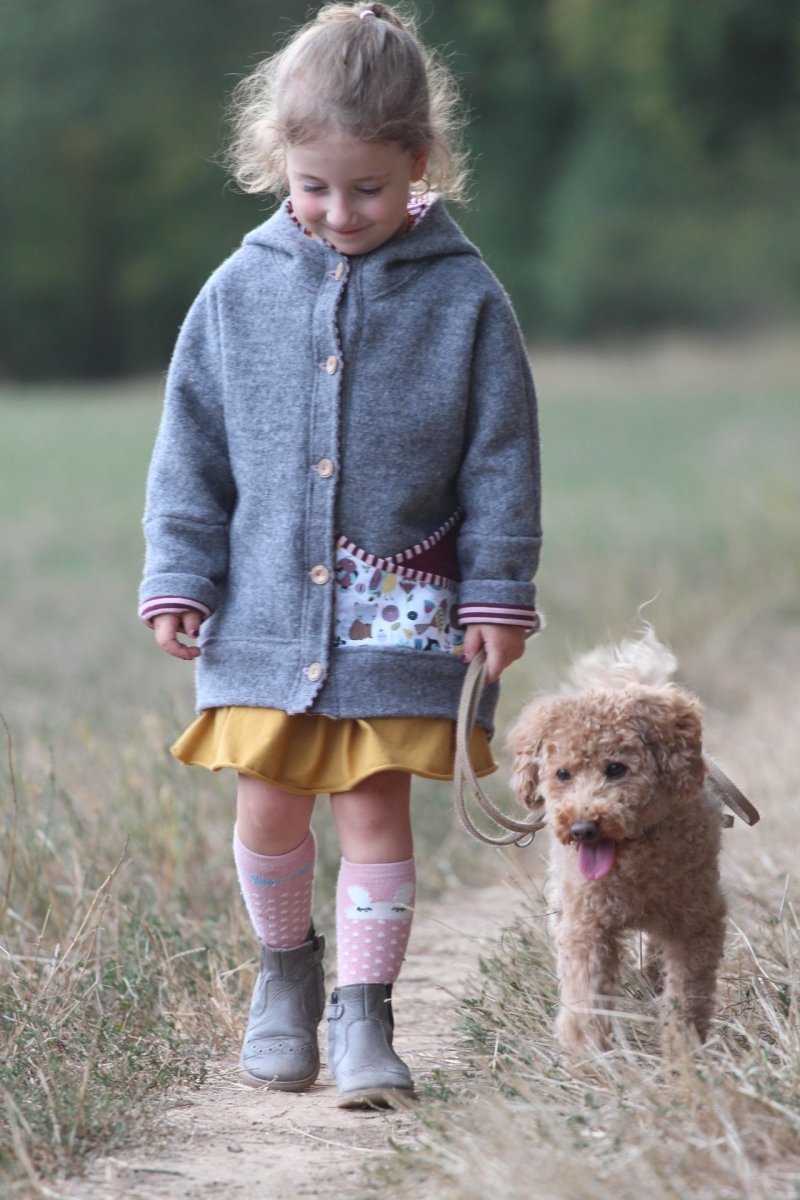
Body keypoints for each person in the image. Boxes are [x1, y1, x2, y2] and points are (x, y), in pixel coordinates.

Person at [139, 1, 541, 1109]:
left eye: (367, 188)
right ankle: (285, 982)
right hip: (264, 612)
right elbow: (191, 448)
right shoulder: (237, 293)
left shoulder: (465, 298)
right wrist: (178, 574)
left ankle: (364, 1018)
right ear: (280, 161)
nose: (339, 210)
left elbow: (501, 459)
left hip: (399, 615)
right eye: (315, 186)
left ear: (418, 163)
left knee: (371, 811)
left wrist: (498, 592)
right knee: (265, 804)